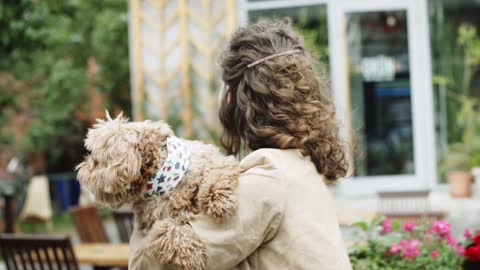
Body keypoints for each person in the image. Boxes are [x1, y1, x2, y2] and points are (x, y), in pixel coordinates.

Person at [130, 19, 352, 270]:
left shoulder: (266, 181)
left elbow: (154, 264)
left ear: (234, 97)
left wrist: (146, 198)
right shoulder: (299, 166)